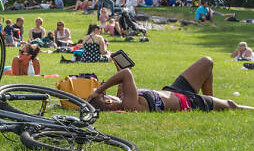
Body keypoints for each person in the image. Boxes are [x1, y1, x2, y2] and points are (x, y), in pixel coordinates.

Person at [87, 57, 253, 112]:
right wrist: (99, 90)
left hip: (177, 90)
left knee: (207, 63)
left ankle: (209, 101)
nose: (108, 95)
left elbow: (122, 75)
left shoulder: (122, 99)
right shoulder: (129, 104)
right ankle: (209, 103)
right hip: (188, 102)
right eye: (106, 96)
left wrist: (119, 67)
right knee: (232, 105)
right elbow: (126, 74)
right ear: (108, 101)